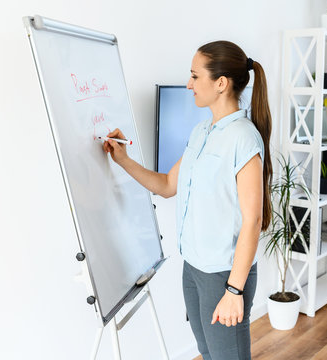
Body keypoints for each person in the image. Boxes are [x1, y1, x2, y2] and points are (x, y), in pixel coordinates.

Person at [102, 40, 273, 360]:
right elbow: (167, 185)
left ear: (221, 83)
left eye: (195, 76)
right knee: (208, 353)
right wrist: (123, 160)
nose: (188, 84)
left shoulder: (243, 137)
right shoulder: (201, 132)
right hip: (193, 268)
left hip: (224, 275)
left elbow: (253, 220)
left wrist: (234, 291)